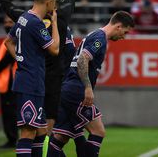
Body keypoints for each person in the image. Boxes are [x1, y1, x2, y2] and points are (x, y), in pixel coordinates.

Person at [0, 0, 76, 137]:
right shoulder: (60, 18)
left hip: (34, 75)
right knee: (45, 126)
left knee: (35, 128)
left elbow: (8, 7)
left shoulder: (27, 19)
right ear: (51, 2)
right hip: (51, 78)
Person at [48, 11, 135, 157]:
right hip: (76, 91)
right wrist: (88, 87)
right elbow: (83, 59)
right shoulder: (100, 38)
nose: (123, 37)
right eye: (125, 32)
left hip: (68, 90)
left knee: (60, 138)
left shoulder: (95, 35)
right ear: (119, 26)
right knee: (98, 131)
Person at [3, 0, 60, 157]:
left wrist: (21, 59)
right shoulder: (36, 23)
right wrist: (55, 23)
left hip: (29, 81)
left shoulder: (23, 18)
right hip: (30, 84)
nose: (56, 6)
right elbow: (55, 49)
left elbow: (8, 42)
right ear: (49, 2)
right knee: (28, 133)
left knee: (41, 131)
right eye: (55, 2)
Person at [0, 15, 18, 148]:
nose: (7, 25)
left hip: (10, 83)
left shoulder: (14, 40)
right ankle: (11, 138)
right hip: (5, 83)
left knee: (10, 113)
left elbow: (7, 59)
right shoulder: (8, 40)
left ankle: (12, 139)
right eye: (5, 22)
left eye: (10, 22)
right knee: (8, 113)